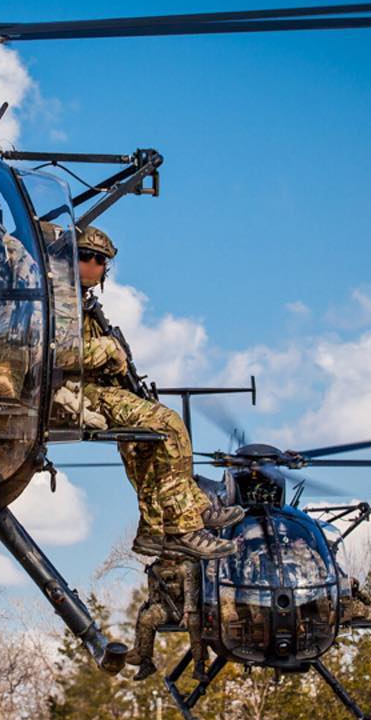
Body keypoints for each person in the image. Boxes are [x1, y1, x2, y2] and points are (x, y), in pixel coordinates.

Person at [67, 226, 242, 561]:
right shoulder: (59, 301)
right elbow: (54, 352)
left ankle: (161, 526)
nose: (92, 264)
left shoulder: (83, 303)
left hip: (93, 389)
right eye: (85, 256)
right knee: (169, 425)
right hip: (73, 392)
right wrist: (107, 350)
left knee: (147, 443)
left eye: (100, 260)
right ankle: (183, 529)